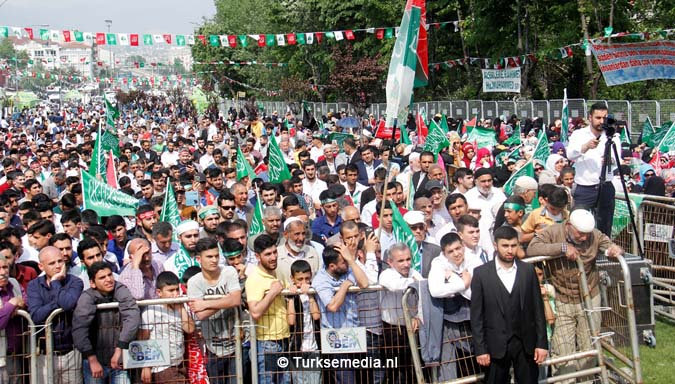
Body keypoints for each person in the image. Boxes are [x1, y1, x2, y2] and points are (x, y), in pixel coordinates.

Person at [526, 209, 623, 377]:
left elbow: (609, 247)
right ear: (569, 225)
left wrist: (615, 250)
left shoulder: (594, 234)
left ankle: (586, 379)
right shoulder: (553, 231)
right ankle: (565, 380)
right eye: (580, 234)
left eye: (587, 234)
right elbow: (532, 249)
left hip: (590, 296)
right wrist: (562, 248)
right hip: (563, 297)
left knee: (590, 345)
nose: (584, 237)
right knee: (563, 347)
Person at [470, 226, 548, 384]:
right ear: (495, 245)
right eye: (505, 246)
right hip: (495, 346)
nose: (510, 250)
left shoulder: (527, 271)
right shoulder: (481, 274)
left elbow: (538, 310)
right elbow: (476, 316)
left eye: (514, 245)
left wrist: (541, 344)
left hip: (525, 344)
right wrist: (481, 349)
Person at [73, 261, 140, 384]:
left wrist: (120, 348)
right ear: (92, 283)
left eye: (110, 275)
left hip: (118, 357)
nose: (108, 279)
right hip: (93, 359)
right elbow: (79, 329)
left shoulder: (120, 289)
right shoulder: (86, 297)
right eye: (102, 277)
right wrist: (92, 359)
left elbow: (132, 316)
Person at [187, 238, 242, 384]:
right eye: (209, 257)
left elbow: (236, 300)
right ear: (199, 259)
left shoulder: (229, 272)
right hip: (212, 347)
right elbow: (200, 314)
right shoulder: (194, 282)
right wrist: (226, 300)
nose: (214, 260)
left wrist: (206, 304)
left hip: (236, 342)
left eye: (216, 256)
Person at [312, 244, 369, 384]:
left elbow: (365, 283)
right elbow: (332, 306)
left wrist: (350, 260)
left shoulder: (348, 269)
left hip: (355, 335)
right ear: (332, 266)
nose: (347, 263)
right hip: (336, 339)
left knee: (362, 379)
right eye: (343, 261)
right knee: (346, 380)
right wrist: (344, 286)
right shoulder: (321, 279)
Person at [27, 246, 84, 384]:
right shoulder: (34, 286)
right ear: (41, 266)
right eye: (52, 263)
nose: (58, 266)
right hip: (44, 354)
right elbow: (36, 315)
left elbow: (68, 304)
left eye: (60, 261)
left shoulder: (75, 282)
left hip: (71, 352)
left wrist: (55, 283)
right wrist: (57, 303)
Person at [428, 232, 480, 381]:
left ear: (463, 246)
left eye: (458, 248)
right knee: (451, 364)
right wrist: (462, 283)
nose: (456, 254)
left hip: (474, 317)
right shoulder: (438, 263)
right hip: (450, 321)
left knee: (478, 361)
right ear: (444, 253)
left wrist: (451, 279)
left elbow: (476, 293)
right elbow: (435, 290)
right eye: (451, 251)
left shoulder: (473, 260)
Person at [567, 103, 621, 236]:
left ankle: (603, 253)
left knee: (604, 226)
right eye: (598, 117)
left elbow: (617, 160)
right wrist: (585, 146)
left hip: (606, 186)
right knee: (578, 224)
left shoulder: (612, 136)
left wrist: (610, 161)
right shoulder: (579, 134)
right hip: (585, 187)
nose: (601, 121)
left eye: (604, 117)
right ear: (590, 117)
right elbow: (570, 155)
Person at [245, 234, 290, 384]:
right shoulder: (254, 279)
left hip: (284, 339)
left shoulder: (280, 271)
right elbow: (255, 312)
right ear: (257, 256)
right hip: (267, 343)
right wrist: (271, 293)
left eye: (275, 252)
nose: (273, 257)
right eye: (268, 254)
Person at [378, 243, 423, 384]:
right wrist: (415, 283)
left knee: (412, 368)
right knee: (393, 370)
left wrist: (418, 317)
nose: (406, 264)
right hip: (392, 330)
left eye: (408, 259)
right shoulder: (386, 274)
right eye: (401, 261)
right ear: (390, 262)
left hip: (412, 327)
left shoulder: (414, 273)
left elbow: (423, 295)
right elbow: (395, 285)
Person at [285, 260, 321, 384]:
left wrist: (310, 295)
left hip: (314, 347)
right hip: (297, 347)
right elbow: (291, 320)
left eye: (307, 278)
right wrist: (290, 298)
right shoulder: (290, 294)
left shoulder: (314, 292)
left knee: (314, 380)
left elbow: (316, 316)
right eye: (300, 279)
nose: (304, 282)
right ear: (292, 279)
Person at [0, 252, 27, 383]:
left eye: (5, 267)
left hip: (15, 355)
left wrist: (18, 305)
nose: (3, 272)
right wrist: (12, 303)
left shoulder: (14, 283)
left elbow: (26, 302)